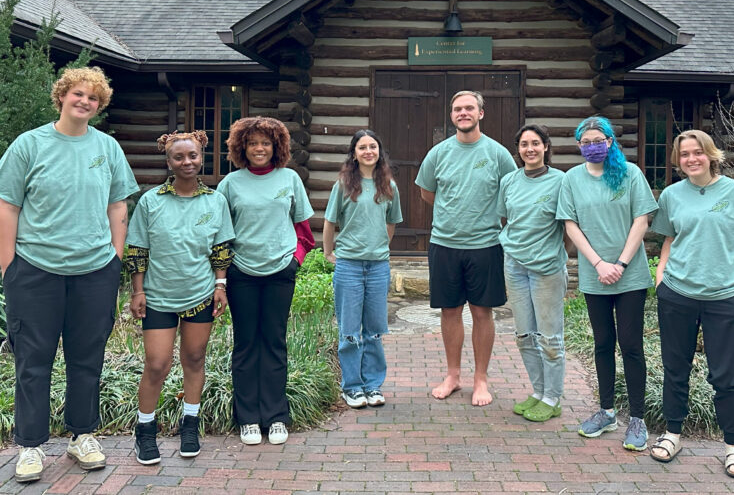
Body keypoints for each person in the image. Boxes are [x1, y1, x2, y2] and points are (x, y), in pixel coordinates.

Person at [0, 67, 138, 483]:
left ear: (99, 105)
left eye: (93, 97)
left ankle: (82, 436)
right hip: (35, 272)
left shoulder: (107, 148)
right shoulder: (29, 145)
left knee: (86, 360)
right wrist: (10, 268)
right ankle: (31, 446)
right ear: (62, 97)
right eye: (78, 94)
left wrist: (113, 260)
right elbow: (8, 208)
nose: (84, 102)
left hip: (94, 272)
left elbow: (118, 207)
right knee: (33, 362)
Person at [649, 130, 734, 479]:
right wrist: (661, 282)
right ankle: (672, 434)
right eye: (684, 154)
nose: (691, 159)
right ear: (677, 160)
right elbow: (669, 240)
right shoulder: (672, 195)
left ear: (711, 154)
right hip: (677, 295)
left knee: (726, 377)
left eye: (697, 152)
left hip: (724, 299)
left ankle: (733, 447)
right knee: (675, 368)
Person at [125, 130, 235, 465]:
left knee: (194, 359)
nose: (187, 162)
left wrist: (220, 286)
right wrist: (138, 290)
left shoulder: (215, 201)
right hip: (158, 296)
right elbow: (138, 249)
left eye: (193, 156)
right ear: (168, 161)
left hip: (200, 295)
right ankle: (145, 430)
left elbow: (220, 249)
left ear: (202, 157)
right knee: (156, 364)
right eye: (179, 157)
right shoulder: (151, 201)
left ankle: (190, 424)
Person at [556, 116, 657, 451]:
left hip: (630, 276)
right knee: (603, 344)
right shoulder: (572, 179)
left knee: (630, 344)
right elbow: (570, 225)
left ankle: (638, 419)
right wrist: (599, 263)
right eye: (585, 142)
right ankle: (607, 411)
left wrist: (621, 263)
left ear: (611, 141)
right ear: (578, 145)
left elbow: (641, 220)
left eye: (598, 140)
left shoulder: (630, 174)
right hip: (594, 275)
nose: (592, 146)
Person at [216, 116, 314, 446]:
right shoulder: (230, 184)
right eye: (253, 142)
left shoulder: (290, 179)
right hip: (242, 273)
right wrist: (224, 275)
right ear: (242, 146)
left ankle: (275, 417)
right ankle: (247, 419)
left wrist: (293, 262)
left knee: (274, 343)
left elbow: (304, 232)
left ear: (277, 147)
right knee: (245, 345)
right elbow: (219, 235)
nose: (260, 148)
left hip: (279, 274)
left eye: (266, 143)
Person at [415, 90, 516, 406]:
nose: (463, 113)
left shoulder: (498, 154)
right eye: (457, 108)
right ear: (452, 115)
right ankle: (453, 375)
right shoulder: (438, 153)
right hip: (444, 244)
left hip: (485, 244)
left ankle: (481, 379)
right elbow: (427, 193)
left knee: (483, 312)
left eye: (469, 108)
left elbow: (513, 196)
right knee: (450, 310)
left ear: (481, 113)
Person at [323, 130, 403, 409]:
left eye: (373, 146)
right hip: (349, 266)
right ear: (354, 153)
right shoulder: (344, 184)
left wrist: (380, 246)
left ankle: (373, 385)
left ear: (379, 151)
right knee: (349, 330)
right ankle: (353, 387)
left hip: (378, 266)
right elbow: (330, 221)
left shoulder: (389, 185)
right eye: (362, 147)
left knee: (375, 329)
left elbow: (391, 223)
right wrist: (328, 252)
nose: (368, 151)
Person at [497, 124, 568, 422]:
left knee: (549, 337)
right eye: (524, 144)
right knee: (525, 334)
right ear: (518, 149)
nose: (530, 149)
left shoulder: (561, 181)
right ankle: (538, 392)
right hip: (514, 265)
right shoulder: (509, 181)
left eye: (536, 143)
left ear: (546, 147)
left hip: (547, 268)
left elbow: (568, 223)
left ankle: (553, 398)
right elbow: (505, 218)